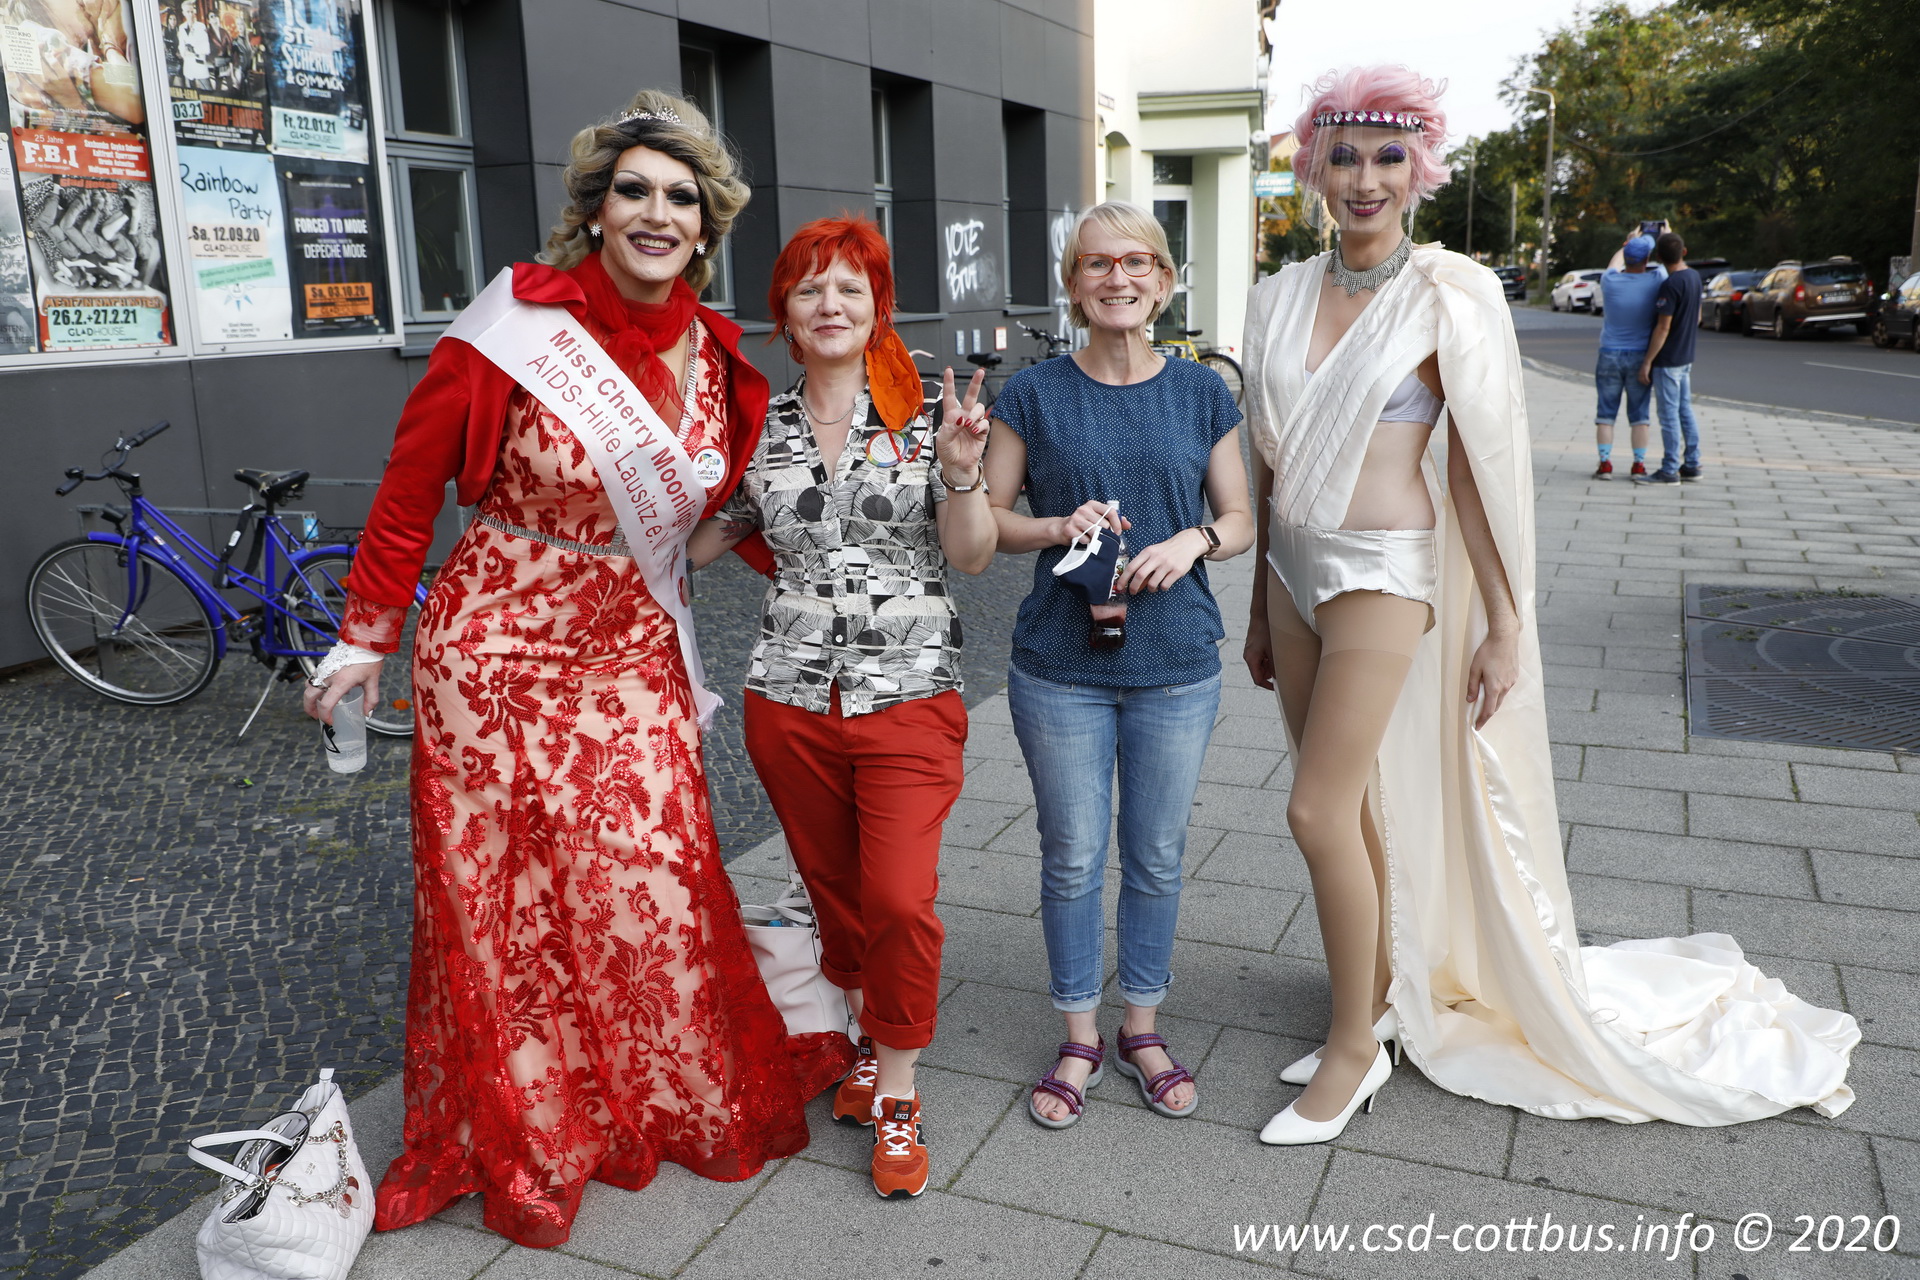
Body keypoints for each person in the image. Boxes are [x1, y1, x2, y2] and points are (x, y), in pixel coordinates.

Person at [1240, 64, 1856, 1145]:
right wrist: (1256, 604)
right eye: (1344, 156)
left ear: (1420, 168)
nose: (1367, 178)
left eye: (1389, 157)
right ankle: (1378, 1007)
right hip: (1293, 573)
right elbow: (1269, 462)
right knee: (1357, 809)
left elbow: (1479, 465)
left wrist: (1507, 620)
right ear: (1314, 166)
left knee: (1313, 809)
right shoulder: (1280, 293)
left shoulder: (1450, 291)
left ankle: (1349, 1053)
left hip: (1386, 570)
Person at [301, 90, 852, 1247]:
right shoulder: (517, 324)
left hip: (631, 646)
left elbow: (745, 508)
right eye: (634, 190)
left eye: (682, 198)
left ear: (708, 225)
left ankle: (654, 1088)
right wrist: (366, 632)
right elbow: (410, 485)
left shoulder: (722, 364)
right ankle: (541, 1116)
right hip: (494, 647)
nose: (658, 213)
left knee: (647, 877)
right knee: (504, 907)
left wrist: (871, 541)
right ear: (596, 211)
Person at [686, 214, 995, 1200]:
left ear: (876, 309)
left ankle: (897, 1083)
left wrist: (958, 470)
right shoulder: (755, 425)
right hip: (789, 696)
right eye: (810, 287)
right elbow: (704, 535)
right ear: (785, 308)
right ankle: (864, 1035)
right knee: (834, 892)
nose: (829, 304)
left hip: (908, 693)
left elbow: (975, 552)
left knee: (901, 896)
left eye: (849, 289)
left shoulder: (921, 412)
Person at [980, 200, 1253, 1131]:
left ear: (1165, 281)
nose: (1118, 279)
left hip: (1177, 662)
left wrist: (1195, 539)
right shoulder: (1035, 395)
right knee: (1072, 858)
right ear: (1073, 285)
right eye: (1097, 265)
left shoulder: (1203, 392)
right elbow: (988, 522)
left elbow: (1244, 517)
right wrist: (1058, 525)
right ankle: (1078, 1034)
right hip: (1060, 664)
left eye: (1137, 263)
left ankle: (1142, 1025)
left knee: (1158, 854)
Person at [1591, 233, 1666, 480]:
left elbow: (1614, 263)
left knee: (1605, 412)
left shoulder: (1609, 281)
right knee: (1639, 414)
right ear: (1647, 259)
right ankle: (1638, 465)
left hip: (1609, 353)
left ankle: (1605, 464)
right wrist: (1663, 234)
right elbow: (1666, 262)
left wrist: (1627, 243)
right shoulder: (1656, 280)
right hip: (1639, 356)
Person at [1639, 231, 1703, 483]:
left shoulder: (1671, 285)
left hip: (1668, 361)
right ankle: (1693, 463)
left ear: (1658, 257)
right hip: (1686, 357)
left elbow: (1663, 327)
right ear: (1684, 252)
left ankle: (1669, 469)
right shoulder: (1695, 277)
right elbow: (1697, 318)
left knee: (1668, 417)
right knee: (1685, 410)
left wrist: (1647, 361)